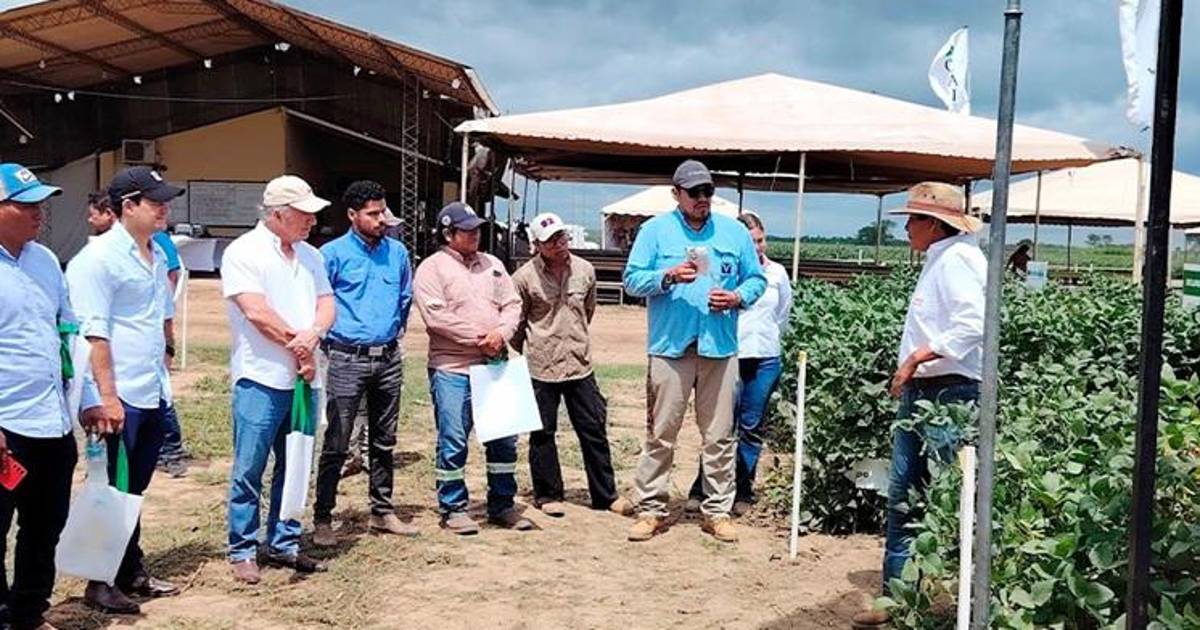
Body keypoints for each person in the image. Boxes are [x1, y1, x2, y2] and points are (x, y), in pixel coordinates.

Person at [852, 182, 985, 629]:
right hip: (926, 391)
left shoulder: (960, 260)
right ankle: (897, 598)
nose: (906, 227)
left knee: (947, 496)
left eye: (913, 219)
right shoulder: (942, 258)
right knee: (905, 494)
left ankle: (960, 598)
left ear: (934, 223)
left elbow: (974, 325)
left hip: (949, 392)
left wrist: (915, 358)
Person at [622, 160, 766, 544]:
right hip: (671, 347)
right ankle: (651, 507)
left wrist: (737, 297)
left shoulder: (734, 233)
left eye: (708, 191)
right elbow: (632, 280)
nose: (703, 199)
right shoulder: (654, 231)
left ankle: (717, 511)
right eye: (694, 192)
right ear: (676, 194)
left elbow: (757, 278)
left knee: (719, 435)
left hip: (719, 347)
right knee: (661, 432)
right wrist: (667, 277)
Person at [66, 166, 184, 614]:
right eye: (155, 202)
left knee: (132, 488)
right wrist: (107, 397)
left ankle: (129, 569)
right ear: (127, 206)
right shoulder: (98, 260)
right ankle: (98, 582)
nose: (164, 209)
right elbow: (94, 333)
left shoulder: (154, 254)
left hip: (150, 389)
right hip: (120, 396)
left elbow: (156, 320)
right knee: (111, 489)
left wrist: (166, 361)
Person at [0, 163, 103, 630]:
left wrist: (89, 399)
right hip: (7, 427)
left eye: (41, 204)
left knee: (44, 527)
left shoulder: (44, 262)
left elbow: (69, 334)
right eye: (26, 205)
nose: (39, 213)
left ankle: (28, 613)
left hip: (52, 420)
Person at [220, 175, 334, 584]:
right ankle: (243, 548)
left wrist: (313, 337)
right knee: (250, 466)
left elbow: (326, 303)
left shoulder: (311, 256)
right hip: (261, 376)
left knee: (296, 462)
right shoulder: (243, 252)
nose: (312, 222)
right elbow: (256, 312)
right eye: (304, 215)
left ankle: (284, 541)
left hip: (304, 378)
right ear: (278, 214)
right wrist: (299, 348)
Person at [413, 201, 533, 534]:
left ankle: (502, 504)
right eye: (468, 230)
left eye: (478, 229)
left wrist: (501, 334)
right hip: (452, 367)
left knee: (504, 440)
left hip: (495, 363)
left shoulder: (493, 264)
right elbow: (436, 317)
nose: (476, 235)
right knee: (453, 438)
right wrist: (481, 337)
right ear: (448, 233)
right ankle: (453, 508)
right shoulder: (431, 269)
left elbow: (512, 304)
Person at [312, 181, 415, 546]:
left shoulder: (398, 253)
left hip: (387, 359)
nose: (381, 219)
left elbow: (405, 298)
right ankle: (323, 517)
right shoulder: (331, 254)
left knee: (384, 441)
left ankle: (382, 511)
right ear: (352, 215)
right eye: (372, 214)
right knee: (337, 440)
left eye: (382, 211)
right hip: (345, 360)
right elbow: (318, 303)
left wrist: (388, 336)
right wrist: (334, 344)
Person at [510, 212, 633, 518]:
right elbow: (516, 323)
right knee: (542, 433)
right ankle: (548, 494)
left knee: (593, 429)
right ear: (537, 245)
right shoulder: (524, 278)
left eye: (562, 237)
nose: (560, 244)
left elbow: (587, 311)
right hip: (542, 365)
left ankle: (605, 495)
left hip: (579, 364)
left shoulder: (585, 270)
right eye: (551, 241)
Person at [686, 212, 792, 517]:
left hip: (765, 358)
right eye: (750, 242)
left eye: (760, 240)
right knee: (718, 427)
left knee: (751, 427)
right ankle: (703, 487)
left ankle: (743, 489)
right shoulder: (726, 272)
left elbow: (783, 314)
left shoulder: (778, 274)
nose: (756, 247)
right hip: (729, 355)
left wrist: (768, 338)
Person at [151, 229, 189, 478]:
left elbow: (172, 278)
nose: (91, 220)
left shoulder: (158, 245)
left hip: (153, 343)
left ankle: (171, 451)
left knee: (163, 396)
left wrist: (169, 344)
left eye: (96, 214)